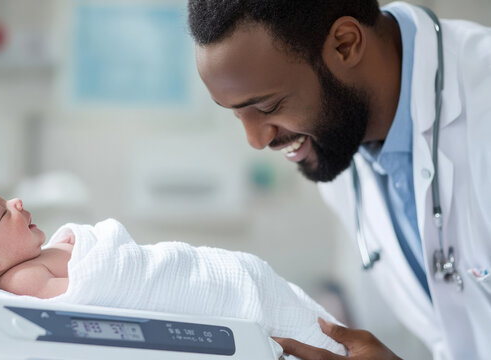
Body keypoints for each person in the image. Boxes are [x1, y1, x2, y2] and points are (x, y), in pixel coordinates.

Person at [188, 0, 491, 359]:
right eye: (237, 114)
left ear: (345, 44)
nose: (256, 140)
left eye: (268, 107)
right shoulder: (336, 145)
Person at [0, 180, 347, 356]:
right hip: (207, 291)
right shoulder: (22, 281)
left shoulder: (33, 262)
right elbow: (95, 299)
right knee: (313, 331)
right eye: (1, 211)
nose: (17, 202)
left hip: (216, 268)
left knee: (309, 317)